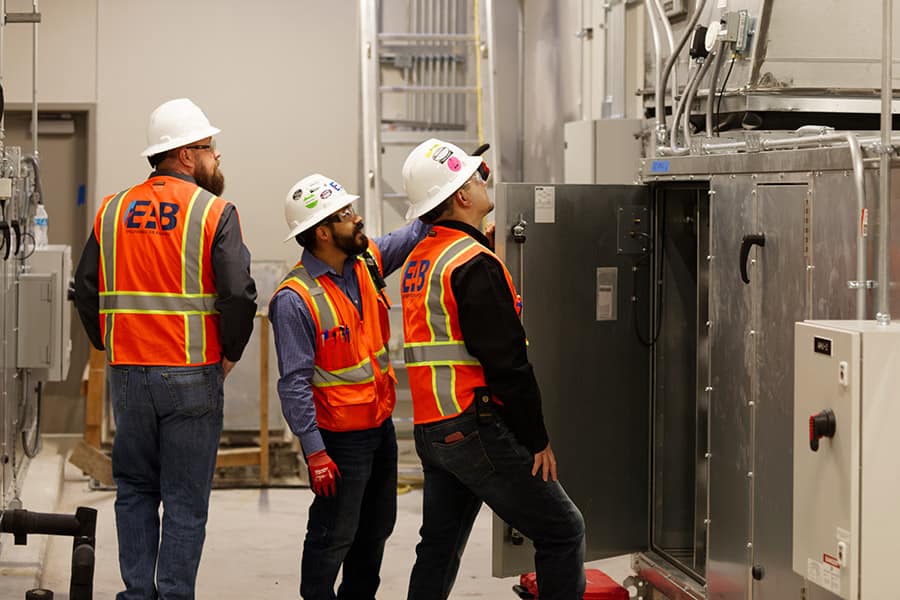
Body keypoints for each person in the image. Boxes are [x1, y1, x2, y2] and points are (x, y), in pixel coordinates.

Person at [73, 98, 258, 600]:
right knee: (184, 498)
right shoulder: (214, 211)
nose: (217, 157)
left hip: (129, 374)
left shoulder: (111, 209)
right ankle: (174, 595)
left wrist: (107, 343)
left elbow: (84, 289)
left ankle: (137, 594)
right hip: (192, 376)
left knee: (133, 490)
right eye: (209, 148)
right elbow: (238, 293)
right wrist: (231, 353)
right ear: (183, 155)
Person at [400, 139, 586, 600]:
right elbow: (508, 365)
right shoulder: (474, 264)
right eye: (475, 178)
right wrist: (536, 439)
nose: (485, 181)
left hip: (435, 428)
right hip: (474, 427)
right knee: (562, 530)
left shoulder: (423, 259)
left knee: (439, 546)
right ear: (461, 197)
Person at [269, 173, 429, 599]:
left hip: (379, 427)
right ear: (322, 232)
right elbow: (295, 384)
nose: (358, 220)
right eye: (346, 215)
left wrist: (452, 179)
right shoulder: (295, 298)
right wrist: (314, 451)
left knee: (376, 529)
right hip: (339, 441)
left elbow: (415, 231)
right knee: (332, 535)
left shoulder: (367, 264)